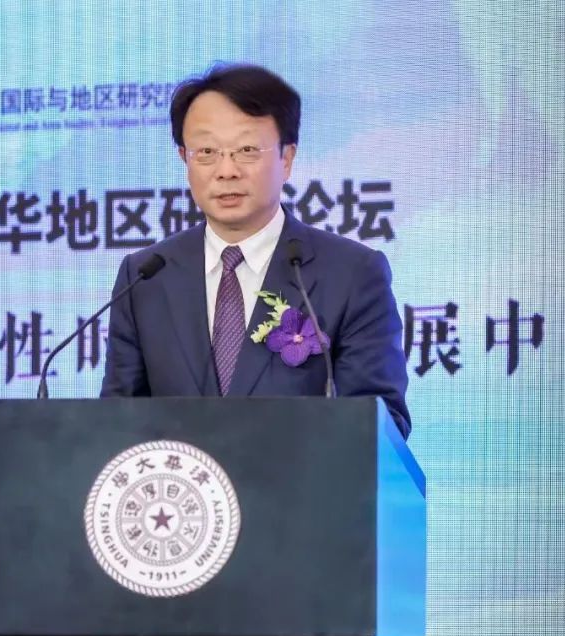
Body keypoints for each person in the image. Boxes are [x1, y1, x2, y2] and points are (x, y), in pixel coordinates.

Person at [99, 62, 411, 439]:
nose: (226, 170)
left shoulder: (352, 273)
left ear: (286, 158)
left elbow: (382, 425)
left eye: (247, 150)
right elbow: (116, 424)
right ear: (185, 159)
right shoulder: (146, 276)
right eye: (206, 151)